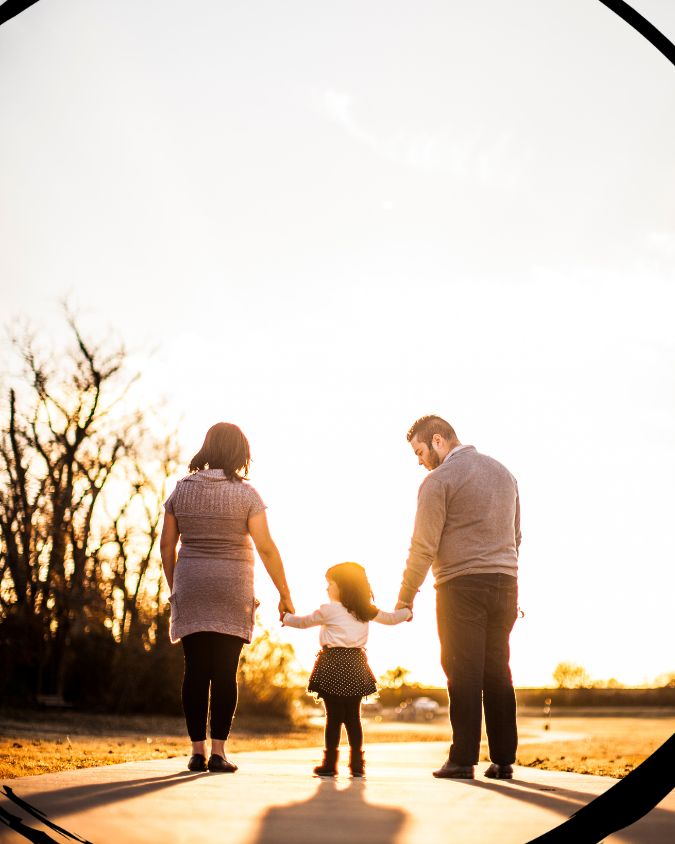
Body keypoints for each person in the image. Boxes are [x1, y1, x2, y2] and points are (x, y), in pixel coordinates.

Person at [160, 422, 295, 774]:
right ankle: (219, 753)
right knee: (224, 672)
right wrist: (284, 593)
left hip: (191, 585)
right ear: (240, 452)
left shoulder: (181, 489)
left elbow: (166, 546)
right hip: (232, 588)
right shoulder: (247, 495)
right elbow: (265, 548)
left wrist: (177, 588)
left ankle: (196, 752)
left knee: (195, 670)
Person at [395, 415, 521, 780]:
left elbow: (423, 547)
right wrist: (505, 573)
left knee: (462, 672)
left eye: (420, 451)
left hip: (460, 586)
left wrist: (405, 599)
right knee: (497, 670)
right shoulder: (504, 473)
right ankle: (503, 760)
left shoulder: (439, 480)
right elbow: (516, 536)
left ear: (438, 440)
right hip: (505, 584)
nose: (419, 461)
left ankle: (462, 759)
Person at [283, 562, 411, 777]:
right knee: (353, 717)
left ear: (342, 585)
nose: (327, 588)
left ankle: (330, 763)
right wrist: (406, 612)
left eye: (330, 584)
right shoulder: (364, 609)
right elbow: (391, 619)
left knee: (333, 717)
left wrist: (285, 617)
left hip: (333, 664)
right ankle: (357, 764)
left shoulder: (330, 609)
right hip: (355, 665)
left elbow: (303, 622)